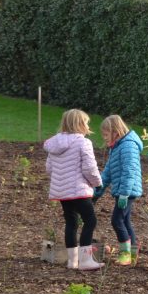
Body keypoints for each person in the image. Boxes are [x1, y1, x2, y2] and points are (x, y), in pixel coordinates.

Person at [44, 108, 104, 271]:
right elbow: (89, 168)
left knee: (71, 222)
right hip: (79, 190)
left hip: (62, 192)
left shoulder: (54, 144)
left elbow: (49, 168)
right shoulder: (83, 142)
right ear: (79, 123)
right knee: (90, 220)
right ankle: (85, 261)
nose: (87, 125)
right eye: (86, 122)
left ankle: (72, 261)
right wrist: (98, 183)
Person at [96, 114, 144, 266]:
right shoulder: (116, 147)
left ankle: (125, 254)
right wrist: (97, 191)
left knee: (116, 220)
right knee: (125, 220)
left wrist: (124, 193)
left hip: (127, 191)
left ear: (115, 131)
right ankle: (133, 254)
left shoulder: (128, 145)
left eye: (106, 134)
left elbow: (129, 171)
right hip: (122, 190)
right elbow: (108, 171)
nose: (104, 137)